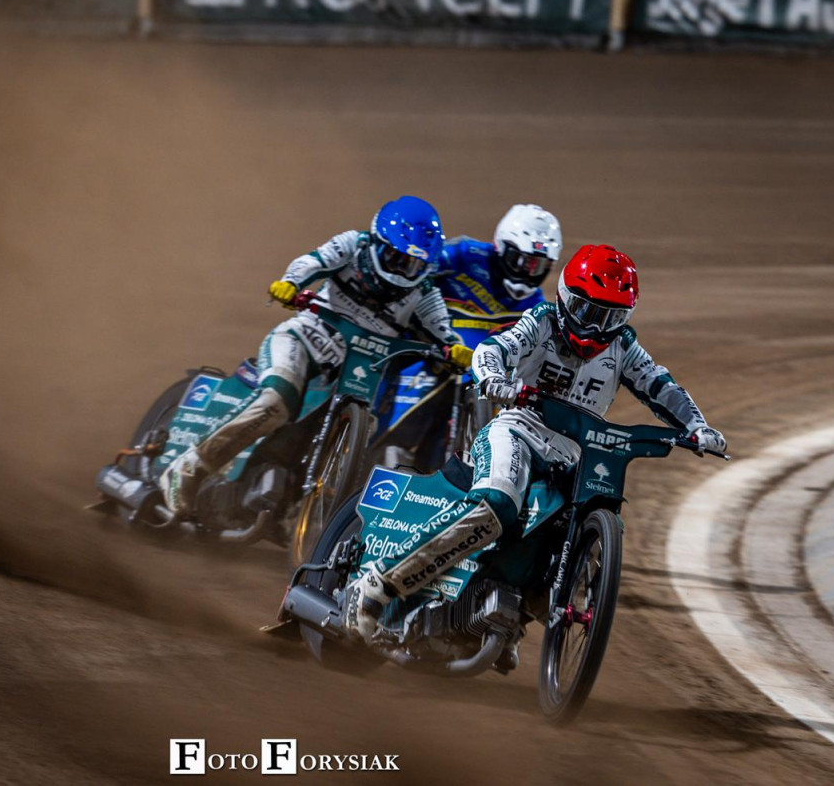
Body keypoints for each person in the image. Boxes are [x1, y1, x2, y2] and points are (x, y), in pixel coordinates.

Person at [343, 243, 727, 664]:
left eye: (610, 317)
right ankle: (380, 583)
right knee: (497, 504)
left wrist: (697, 427)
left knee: (570, 535)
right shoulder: (541, 321)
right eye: (586, 310)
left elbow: (662, 387)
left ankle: (503, 618)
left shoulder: (624, 347)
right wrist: (493, 377)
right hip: (517, 431)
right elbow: (493, 349)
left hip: (573, 454)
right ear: (564, 297)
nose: (595, 327)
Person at [159, 196, 475, 519]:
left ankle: (299, 503)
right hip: (304, 340)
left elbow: (443, 330)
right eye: (396, 258)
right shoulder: (353, 245)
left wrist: (455, 349)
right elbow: (312, 262)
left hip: (354, 370)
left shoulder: (424, 293)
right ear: (378, 241)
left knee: (365, 429)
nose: (404, 271)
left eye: (414, 265)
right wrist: (290, 283)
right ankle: (188, 468)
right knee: (275, 402)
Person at [382, 205, 562, 466]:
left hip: (476, 372)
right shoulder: (463, 253)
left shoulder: (536, 306)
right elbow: (415, 272)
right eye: (520, 261)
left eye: (538, 266)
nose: (527, 272)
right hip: (427, 349)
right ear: (501, 247)